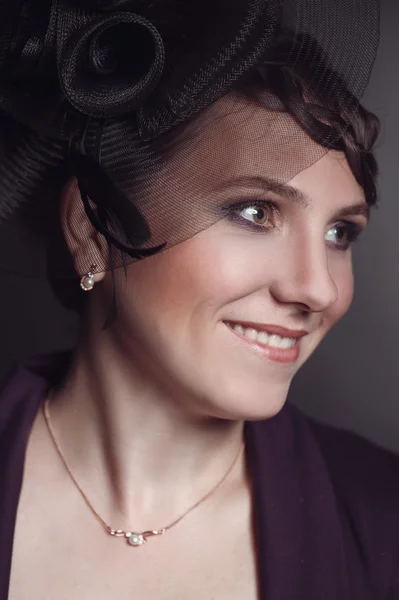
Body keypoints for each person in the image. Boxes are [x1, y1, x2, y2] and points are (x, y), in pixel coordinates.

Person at [1, 0, 399, 598]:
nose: (318, 289)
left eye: (340, 233)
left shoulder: (384, 523)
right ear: (91, 227)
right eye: (255, 212)